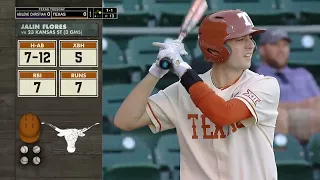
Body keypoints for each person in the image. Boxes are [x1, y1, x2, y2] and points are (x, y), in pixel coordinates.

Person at [114, 9, 280, 180]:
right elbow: (125, 121)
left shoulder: (264, 85)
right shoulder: (182, 90)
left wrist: (181, 68)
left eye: (250, 38)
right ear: (216, 48)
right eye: (240, 39)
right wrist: (156, 71)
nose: (251, 45)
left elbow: (223, 114)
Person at [257, 28, 320, 142]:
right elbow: (264, 109)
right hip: (281, 124)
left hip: (311, 120)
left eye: (285, 45)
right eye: (275, 44)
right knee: (278, 116)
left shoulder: (303, 74)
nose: (281, 50)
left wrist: (290, 107)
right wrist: (304, 105)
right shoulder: (255, 78)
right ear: (262, 50)